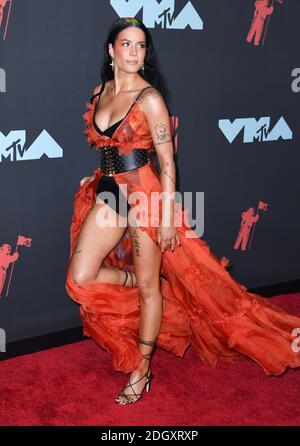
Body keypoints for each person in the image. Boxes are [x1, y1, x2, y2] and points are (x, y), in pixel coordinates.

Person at [66, 17, 300, 405]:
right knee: (81, 277)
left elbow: (167, 162)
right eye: (126, 44)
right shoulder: (100, 91)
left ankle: (142, 370)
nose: (134, 52)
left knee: (147, 289)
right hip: (109, 191)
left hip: (145, 196)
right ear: (111, 50)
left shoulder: (150, 98)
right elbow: (108, 147)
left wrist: (165, 212)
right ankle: (160, 288)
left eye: (141, 46)